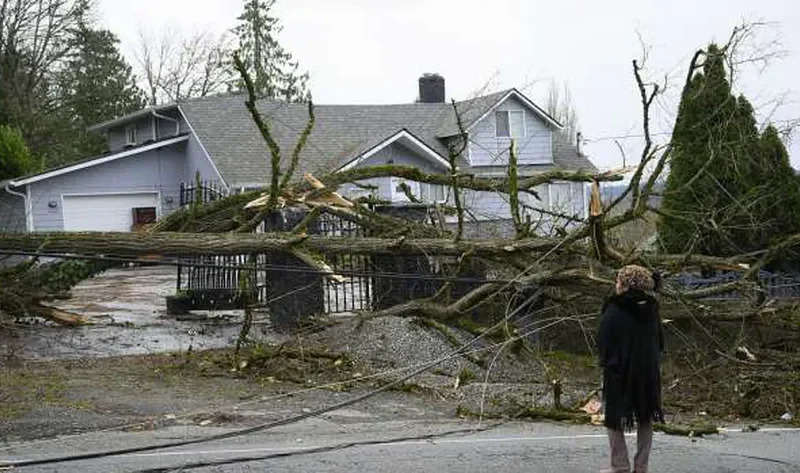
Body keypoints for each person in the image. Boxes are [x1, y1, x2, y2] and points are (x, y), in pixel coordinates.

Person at [598, 265, 664, 473]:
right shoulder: (652, 309)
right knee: (645, 417)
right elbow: (660, 341)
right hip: (647, 371)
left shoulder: (614, 308)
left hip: (620, 371)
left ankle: (620, 466)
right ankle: (641, 466)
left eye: (618, 281)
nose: (616, 285)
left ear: (625, 285)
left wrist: (608, 363)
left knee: (614, 417)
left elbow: (604, 341)